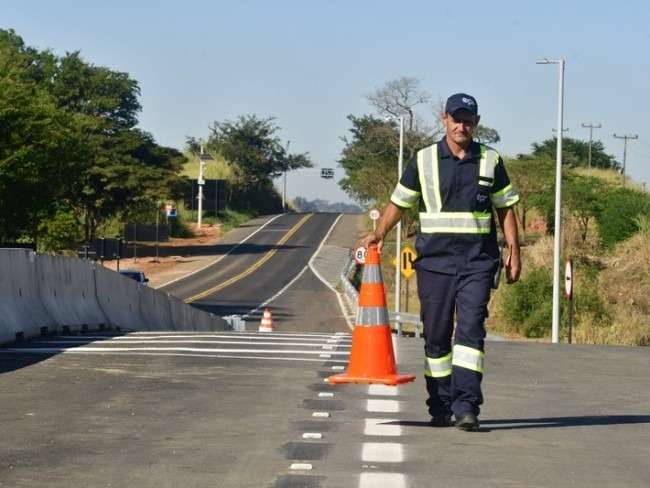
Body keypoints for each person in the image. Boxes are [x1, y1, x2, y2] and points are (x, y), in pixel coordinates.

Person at [360, 93, 521, 431]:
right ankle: (440, 404)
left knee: (470, 332)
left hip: (478, 263)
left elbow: (505, 207)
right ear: (444, 119)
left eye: (468, 119)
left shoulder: (490, 160)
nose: (461, 125)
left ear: (476, 122)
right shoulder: (424, 160)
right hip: (434, 263)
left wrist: (513, 251)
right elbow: (398, 202)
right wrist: (379, 233)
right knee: (436, 337)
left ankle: (466, 407)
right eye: (456, 118)